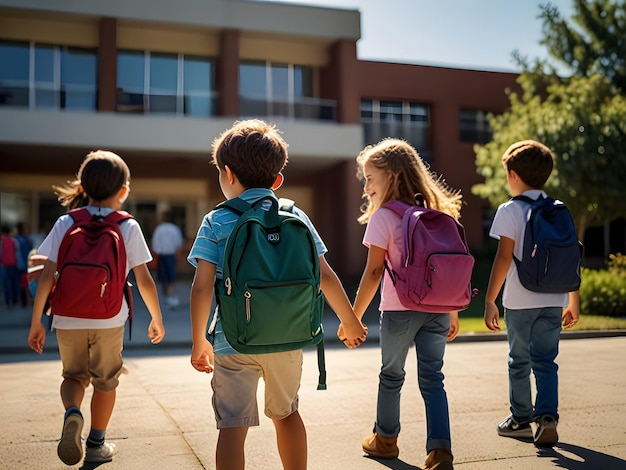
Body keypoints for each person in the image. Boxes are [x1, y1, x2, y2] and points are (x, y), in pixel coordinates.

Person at [187, 119, 367, 470]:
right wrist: (351, 322)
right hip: (288, 338)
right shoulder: (294, 214)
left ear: (227, 174)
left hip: (232, 342)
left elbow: (202, 286)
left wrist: (199, 341)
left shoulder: (216, 221)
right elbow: (324, 276)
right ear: (277, 180)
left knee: (232, 427)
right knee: (287, 415)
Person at [27, 150, 166, 466]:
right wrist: (156, 317)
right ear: (124, 190)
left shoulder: (66, 222)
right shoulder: (127, 226)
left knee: (73, 376)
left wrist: (37, 321)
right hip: (109, 318)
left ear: (83, 188)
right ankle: (95, 444)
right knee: (106, 381)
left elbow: (47, 275)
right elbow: (144, 279)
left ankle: (73, 413)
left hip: (66, 316)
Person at [350, 138, 459, 470]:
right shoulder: (437, 212)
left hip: (400, 309)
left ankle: (385, 439)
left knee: (391, 375)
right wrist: (452, 310)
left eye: (370, 177)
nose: (366, 186)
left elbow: (372, 272)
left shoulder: (383, 217)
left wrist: (352, 317)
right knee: (433, 378)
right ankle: (440, 451)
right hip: (438, 309)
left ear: (392, 176)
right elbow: (449, 265)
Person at [484, 139, 579, 448]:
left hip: (520, 300)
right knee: (546, 361)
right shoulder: (559, 210)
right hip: (554, 299)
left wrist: (489, 300)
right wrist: (572, 301)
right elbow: (571, 258)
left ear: (512, 174)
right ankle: (548, 418)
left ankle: (521, 420)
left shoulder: (510, 210)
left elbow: (503, 258)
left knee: (519, 360)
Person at [151, 210, 184, 309]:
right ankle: (169, 296)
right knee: (171, 277)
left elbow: (155, 244)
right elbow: (178, 244)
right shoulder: (175, 229)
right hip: (170, 255)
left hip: (161, 255)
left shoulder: (159, 229)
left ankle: (166, 297)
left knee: (163, 277)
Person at [0, 224, 21, 309]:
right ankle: (15, 299)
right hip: (14, 263)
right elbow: (17, 254)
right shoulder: (14, 241)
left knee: (6, 283)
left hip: (4, 264)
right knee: (14, 282)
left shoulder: (2, 241)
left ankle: (9, 300)